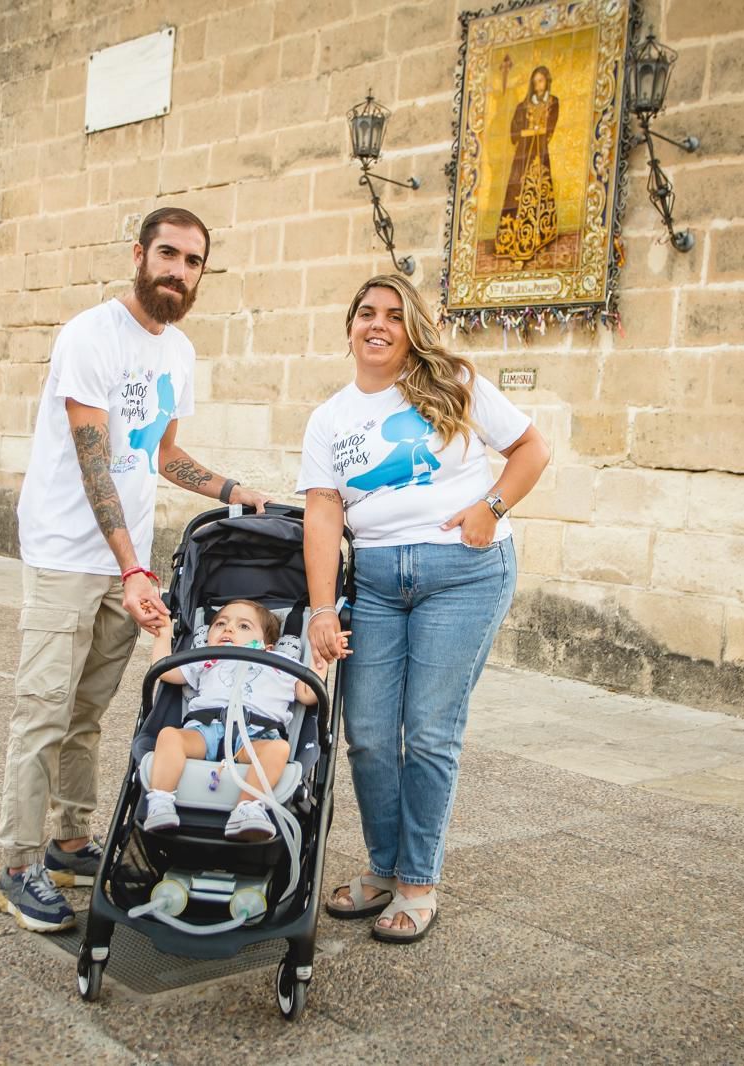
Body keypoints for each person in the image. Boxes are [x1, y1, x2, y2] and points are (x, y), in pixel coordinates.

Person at [0, 207, 272, 935]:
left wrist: (233, 490)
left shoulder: (178, 353)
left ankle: (69, 842)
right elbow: (95, 466)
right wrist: (132, 569)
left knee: (86, 715)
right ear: (140, 254)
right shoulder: (91, 335)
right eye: (168, 254)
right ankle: (18, 866)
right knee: (43, 711)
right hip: (67, 554)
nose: (178, 271)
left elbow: (160, 454)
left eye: (193, 262)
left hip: (128, 568)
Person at [298, 274, 550, 944]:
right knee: (372, 736)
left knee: (429, 732)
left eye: (393, 316)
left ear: (411, 329)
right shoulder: (330, 418)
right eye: (366, 314)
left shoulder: (455, 382)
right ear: (350, 325)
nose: (378, 325)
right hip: (377, 582)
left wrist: (488, 510)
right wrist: (322, 609)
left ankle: (418, 882)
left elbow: (532, 448)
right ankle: (384, 868)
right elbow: (322, 512)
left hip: (464, 574)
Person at [143, 600, 336, 841]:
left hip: (257, 736)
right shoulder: (207, 659)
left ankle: (248, 808)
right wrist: (162, 635)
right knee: (169, 736)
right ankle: (160, 800)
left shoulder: (281, 665)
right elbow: (164, 671)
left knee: (279, 749)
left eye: (243, 626)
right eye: (220, 624)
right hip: (206, 729)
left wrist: (319, 661)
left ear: (268, 646)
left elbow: (308, 695)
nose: (228, 629)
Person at [494, 65, 560, 265]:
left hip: (539, 149)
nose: (537, 85)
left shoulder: (552, 101)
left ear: (546, 81)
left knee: (538, 189)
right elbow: (514, 127)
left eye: (540, 80)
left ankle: (540, 233)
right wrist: (522, 131)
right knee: (517, 188)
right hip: (524, 151)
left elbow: (552, 124)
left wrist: (542, 130)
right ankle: (509, 239)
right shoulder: (523, 105)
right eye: (534, 81)